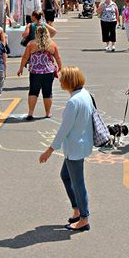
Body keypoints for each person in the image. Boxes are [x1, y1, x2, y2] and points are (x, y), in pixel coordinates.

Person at [38, 66, 94, 233]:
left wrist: (49, 150)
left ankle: (84, 218)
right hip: (81, 144)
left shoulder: (73, 102)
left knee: (78, 183)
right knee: (65, 176)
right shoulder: (85, 95)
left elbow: (64, 129)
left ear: (69, 81)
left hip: (75, 147)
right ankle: (77, 209)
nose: (59, 80)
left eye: (62, 78)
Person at [18, 25, 62, 120]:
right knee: (47, 92)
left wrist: (21, 68)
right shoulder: (52, 44)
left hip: (35, 71)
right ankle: (47, 113)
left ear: (36, 34)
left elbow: (25, 57)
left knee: (33, 92)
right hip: (48, 71)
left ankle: (30, 113)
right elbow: (57, 57)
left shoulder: (31, 44)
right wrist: (60, 67)